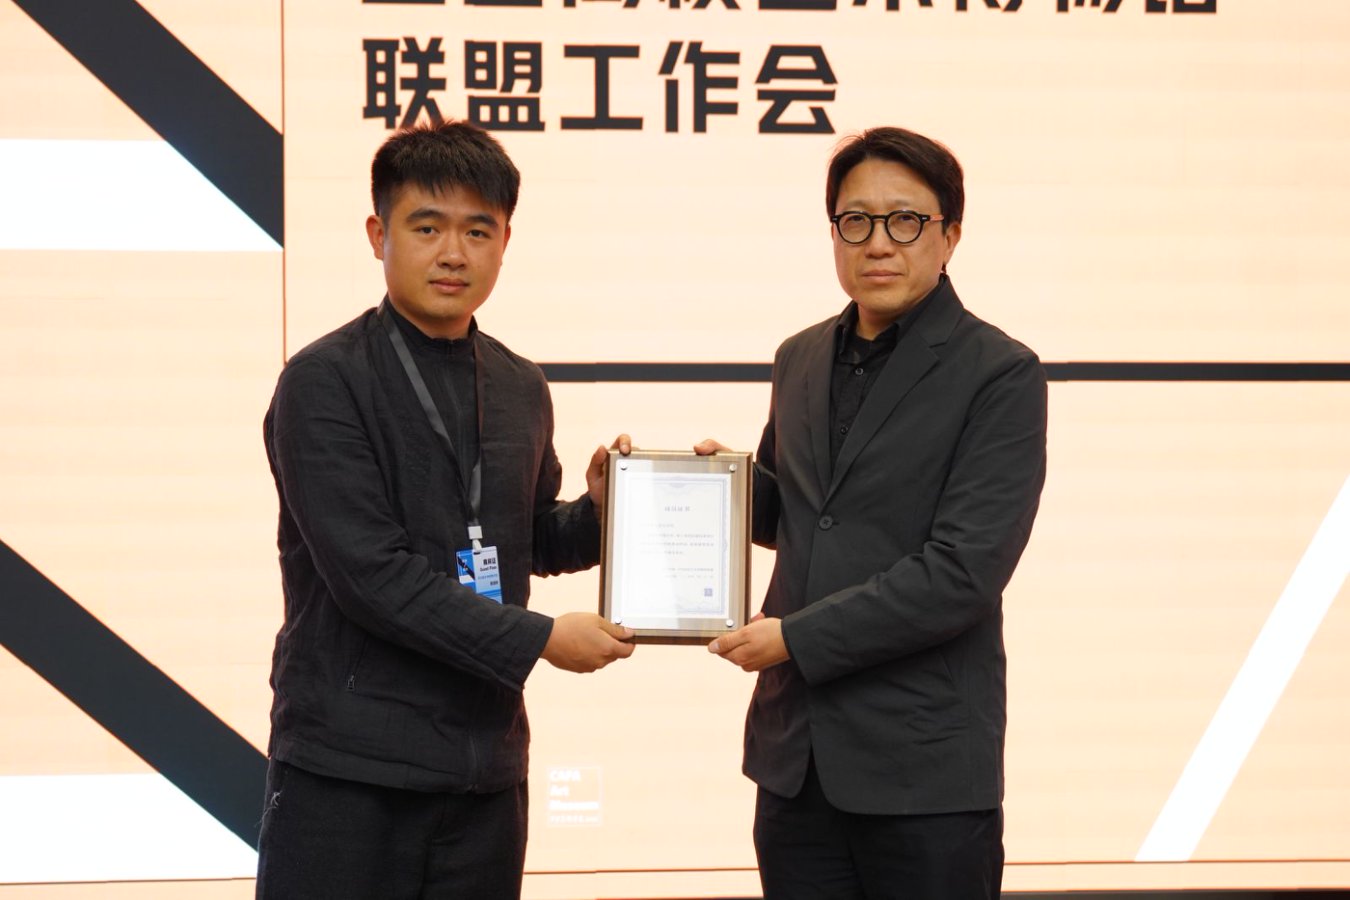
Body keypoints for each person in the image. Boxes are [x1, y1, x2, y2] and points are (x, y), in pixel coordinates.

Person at [255, 119, 635, 900]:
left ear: (505, 241)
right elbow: (372, 577)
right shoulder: (324, 382)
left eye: (477, 230)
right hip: (348, 770)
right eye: (427, 227)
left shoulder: (520, 384)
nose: (453, 253)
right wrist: (540, 639)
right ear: (379, 235)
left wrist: (603, 512)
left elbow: (529, 539)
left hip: (484, 773)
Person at [697, 126, 1047, 899]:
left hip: (924, 772)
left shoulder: (1000, 373)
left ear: (950, 235)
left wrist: (795, 638)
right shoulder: (799, 357)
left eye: (905, 220)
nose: (878, 242)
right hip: (795, 762)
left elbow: (962, 572)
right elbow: (799, 516)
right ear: (834, 232)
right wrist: (720, 489)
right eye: (855, 220)